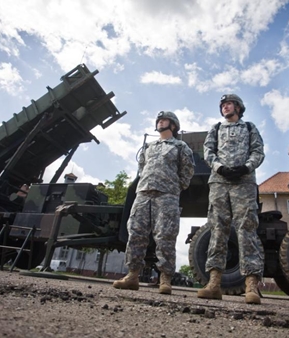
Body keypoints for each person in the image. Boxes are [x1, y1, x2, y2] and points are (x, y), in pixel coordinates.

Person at [113, 111, 195, 294]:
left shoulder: (181, 146)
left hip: (167, 195)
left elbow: (187, 172)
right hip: (143, 194)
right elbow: (142, 168)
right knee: (136, 233)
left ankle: (165, 278)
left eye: (164, 120)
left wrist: (173, 188)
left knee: (165, 236)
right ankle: (132, 275)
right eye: (158, 120)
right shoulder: (148, 147)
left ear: (173, 125)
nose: (160, 122)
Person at [197, 94, 265, 304]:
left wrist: (246, 167)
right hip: (219, 183)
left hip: (244, 183)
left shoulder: (250, 127)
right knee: (217, 229)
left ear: (238, 107)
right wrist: (220, 168)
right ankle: (214, 283)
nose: (225, 107)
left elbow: (258, 151)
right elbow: (207, 152)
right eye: (222, 105)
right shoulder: (216, 129)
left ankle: (251, 285)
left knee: (247, 229)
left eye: (229, 104)